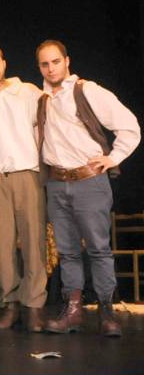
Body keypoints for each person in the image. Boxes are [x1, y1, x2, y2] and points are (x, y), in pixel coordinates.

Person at [36, 40, 140, 337]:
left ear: (67, 61)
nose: (51, 68)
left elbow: (129, 125)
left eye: (56, 61)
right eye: (45, 64)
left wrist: (113, 158)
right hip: (57, 183)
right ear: (39, 67)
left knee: (98, 249)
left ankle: (106, 311)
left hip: (89, 181)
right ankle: (73, 311)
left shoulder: (86, 90)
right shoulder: (42, 99)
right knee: (68, 251)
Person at [0, 43, 47, 332]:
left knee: (33, 242)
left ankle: (34, 306)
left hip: (25, 174)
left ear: (4, 62)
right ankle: (9, 305)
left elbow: (52, 117)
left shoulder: (27, 91)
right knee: (1, 246)